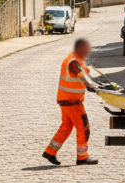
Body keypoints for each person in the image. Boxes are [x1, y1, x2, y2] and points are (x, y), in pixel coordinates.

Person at [42, 38, 98, 166]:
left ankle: (50, 152)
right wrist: (91, 86)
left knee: (66, 126)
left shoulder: (72, 58)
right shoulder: (73, 61)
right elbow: (81, 75)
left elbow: (84, 73)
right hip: (72, 101)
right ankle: (82, 157)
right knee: (84, 128)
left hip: (65, 99)